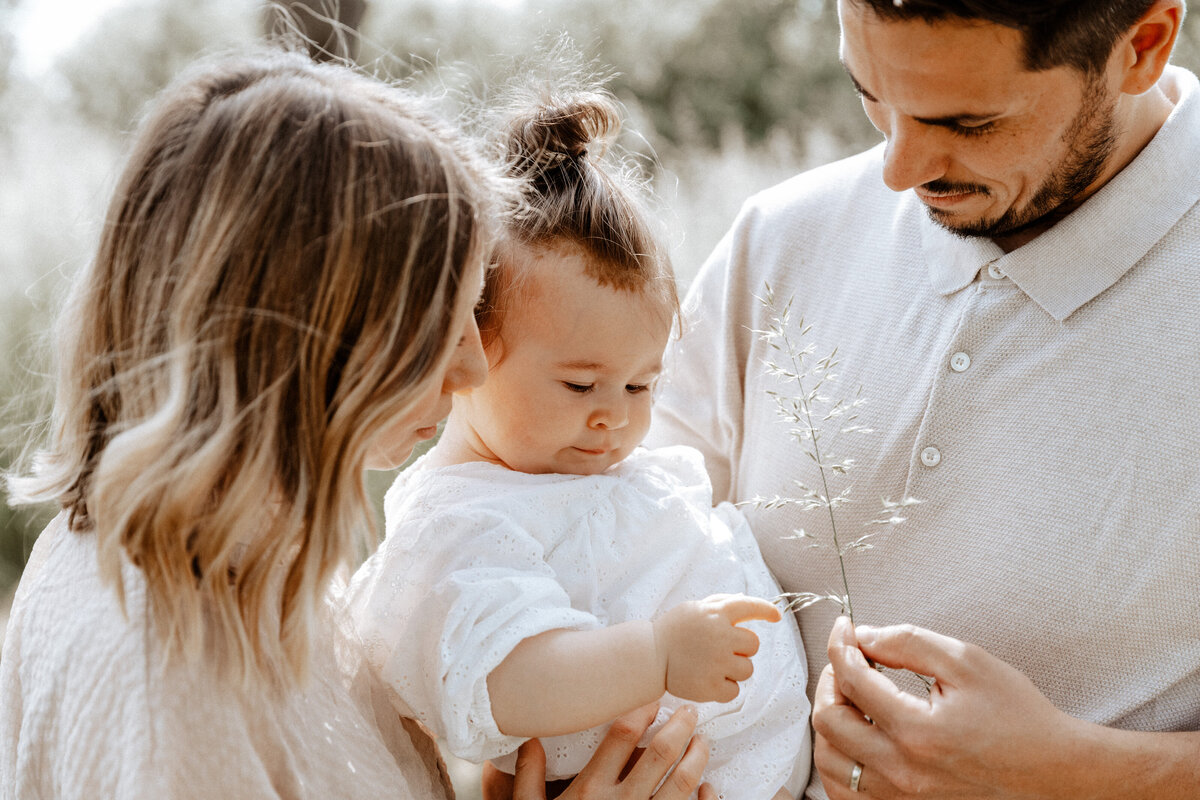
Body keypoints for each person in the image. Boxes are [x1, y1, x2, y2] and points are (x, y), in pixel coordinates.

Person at [0, 49, 712, 799]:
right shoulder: (166, 671)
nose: (472, 368)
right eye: (444, 319)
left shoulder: (263, 573)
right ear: (308, 329)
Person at [646, 1, 1200, 798]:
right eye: (870, 94)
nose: (897, 171)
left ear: (1142, 46)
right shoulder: (779, 240)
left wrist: (1074, 775)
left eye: (969, 124)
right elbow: (602, 556)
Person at [348, 88, 812, 800]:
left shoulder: (577, 474)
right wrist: (656, 656)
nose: (613, 419)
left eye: (639, 387)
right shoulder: (459, 525)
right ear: (470, 349)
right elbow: (510, 678)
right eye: (579, 386)